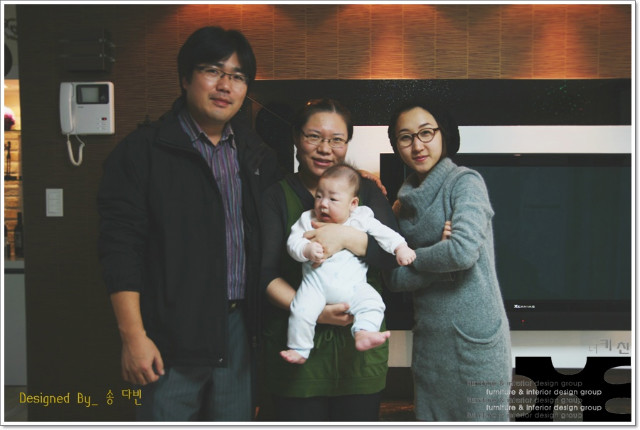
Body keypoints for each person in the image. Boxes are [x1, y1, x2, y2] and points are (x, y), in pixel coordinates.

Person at [97, 26, 282, 421]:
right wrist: (133, 337)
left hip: (239, 329)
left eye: (237, 76)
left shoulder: (256, 155)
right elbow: (120, 248)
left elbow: (291, 210)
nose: (225, 85)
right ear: (185, 78)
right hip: (169, 335)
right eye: (212, 71)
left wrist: (357, 183)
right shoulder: (142, 152)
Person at [259, 98, 399, 421]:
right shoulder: (276, 196)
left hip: (359, 357)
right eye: (314, 137)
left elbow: (392, 256)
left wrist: (345, 237)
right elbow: (265, 275)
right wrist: (317, 313)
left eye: (337, 140)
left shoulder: (366, 192)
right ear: (296, 138)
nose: (325, 148)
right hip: (298, 359)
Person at [385, 99, 512, 421]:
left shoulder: (465, 182)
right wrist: (440, 255)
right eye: (405, 137)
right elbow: (393, 278)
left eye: (426, 132)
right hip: (430, 343)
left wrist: (416, 258)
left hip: (476, 343)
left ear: (444, 134)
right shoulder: (400, 206)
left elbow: (462, 252)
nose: (417, 145)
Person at [281, 163, 416, 365]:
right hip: (314, 286)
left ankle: (364, 332)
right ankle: (299, 348)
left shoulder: (360, 218)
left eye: (333, 199)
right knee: (300, 310)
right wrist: (306, 250)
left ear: (352, 204)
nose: (323, 204)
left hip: (353, 287)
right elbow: (292, 243)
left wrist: (401, 248)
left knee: (373, 302)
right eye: (319, 196)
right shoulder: (307, 219)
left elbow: (385, 234)